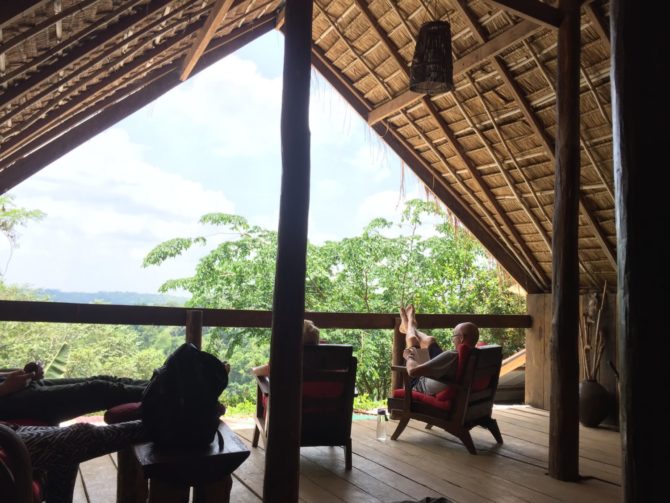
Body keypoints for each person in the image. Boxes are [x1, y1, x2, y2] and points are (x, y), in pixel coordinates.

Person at [2, 419, 147, 503]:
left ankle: (151, 424)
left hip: (8, 430)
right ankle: (152, 426)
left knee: (67, 449)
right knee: (77, 437)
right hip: (5, 441)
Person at [0, 361, 148, 424]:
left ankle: (159, 384)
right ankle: (161, 392)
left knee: (102, 379)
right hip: (8, 402)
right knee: (99, 389)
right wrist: (6, 387)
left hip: (12, 389)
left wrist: (19, 375)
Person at [399, 304, 480, 395]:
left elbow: (412, 371)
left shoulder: (452, 355)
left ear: (461, 338)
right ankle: (410, 326)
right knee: (430, 340)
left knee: (413, 341)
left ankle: (410, 325)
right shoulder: (476, 355)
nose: (453, 340)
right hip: (445, 372)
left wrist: (408, 357)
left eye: (454, 336)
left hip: (419, 384)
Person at [251, 319, 321, 378]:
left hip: (291, 393)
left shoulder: (288, 355)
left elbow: (267, 370)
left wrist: (254, 370)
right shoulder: (322, 355)